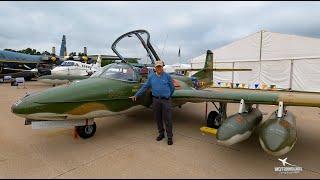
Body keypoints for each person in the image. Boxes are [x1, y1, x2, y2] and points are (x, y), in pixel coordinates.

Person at [129, 60, 175, 145]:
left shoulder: (167, 76)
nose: (159, 68)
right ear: (155, 68)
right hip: (156, 100)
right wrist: (136, 95)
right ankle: (161, 134)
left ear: (162, 67)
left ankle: (169, 137)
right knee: (158, 118)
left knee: (168, 119)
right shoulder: (151, 77)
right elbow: (145, 87)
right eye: (157, 67)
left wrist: (168, 96)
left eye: (160, 66)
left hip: (166, 100)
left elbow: (172, 88)